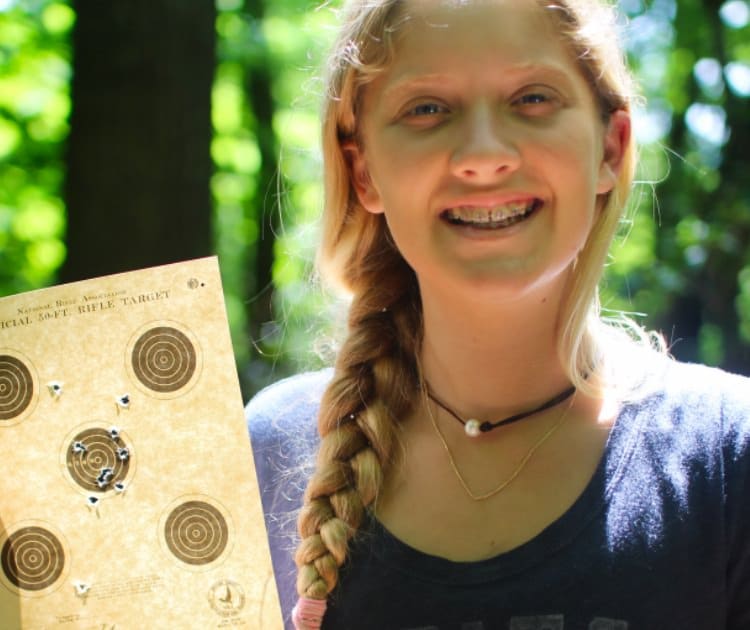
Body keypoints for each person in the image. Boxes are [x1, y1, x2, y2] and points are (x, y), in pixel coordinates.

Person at [246, 0, 750, 628]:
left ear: (611, 149)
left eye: (533, 99)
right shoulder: (266, 453)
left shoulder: (729, 454)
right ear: (363, 169)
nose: (483, 155)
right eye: (427, 108)